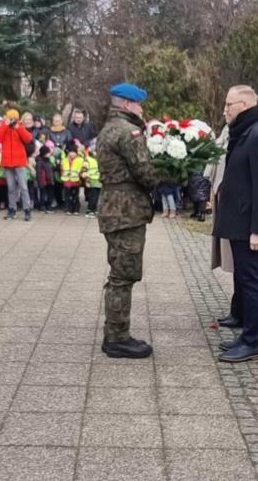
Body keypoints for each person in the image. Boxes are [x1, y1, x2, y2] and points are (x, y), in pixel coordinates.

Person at [213, 85, 258, 363]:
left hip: (249, 224)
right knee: (242, 277)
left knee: (251, 281)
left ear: (244, 105)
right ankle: (245, 334)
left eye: (229, 104)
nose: (225, 109)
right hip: (237, 220)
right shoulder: (245, 133)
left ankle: (252, 340)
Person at [97, 82, 159, 359]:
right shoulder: (128, 131)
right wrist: (167, 176)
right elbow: (144, 172)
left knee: (119, 272)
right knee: (123, 275)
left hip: (114, 207)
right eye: (138, 104)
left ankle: (115, 331)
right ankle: (117, 337)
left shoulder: (109, 127)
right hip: (126, 211)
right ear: (127, 104)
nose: (141, 109)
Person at [209, 125, 243, 328]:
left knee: (243, 268)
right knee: (237, 265)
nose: (225, 111)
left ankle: (243, 315)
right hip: (224, 200)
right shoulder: (227, 133)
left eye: (229, 106)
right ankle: (237, 310)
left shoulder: (250, 135)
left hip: (238, 210)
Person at [0, 109, 34, 221]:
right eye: (10, 118)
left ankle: (27, 210)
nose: (12, 120)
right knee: (11, 188)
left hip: (19, 161)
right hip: (7, 162)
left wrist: (18, 127)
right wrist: (5, 125)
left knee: (23, 187)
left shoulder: (20, 126)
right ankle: (12, 209)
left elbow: (28, 139)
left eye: (14, 118)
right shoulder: (3, 126)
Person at [61, 144, 83, 214]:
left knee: (75, 196)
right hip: (67, 181)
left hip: (76, 181)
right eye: (71, 152)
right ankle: (68, 209)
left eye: (74, 152)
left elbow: (82, 170)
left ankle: (76, 209)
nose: (72, 154)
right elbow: (62, 170)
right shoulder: (64, 160)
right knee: (67, 196)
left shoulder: (80, 160)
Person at [82, 148, 102, 216]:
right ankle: (90, 210)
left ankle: (95, 209)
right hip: (92, 181)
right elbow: (84, 171)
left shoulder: (101, 159)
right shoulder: (88, 160)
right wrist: (87, 181)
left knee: (98, 197)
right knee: (93, 197)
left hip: (100, 181)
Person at [36, 143, 55, 212]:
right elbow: (38, 173)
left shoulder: (48, 160)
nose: (49, 154)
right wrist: (40, 182)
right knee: (43, 194)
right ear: (44, 153)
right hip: (43, 181)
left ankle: (48, 206)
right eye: (48, 153)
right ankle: (42, 206)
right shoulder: (40, 161)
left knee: (50, 194)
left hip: (49, 180)